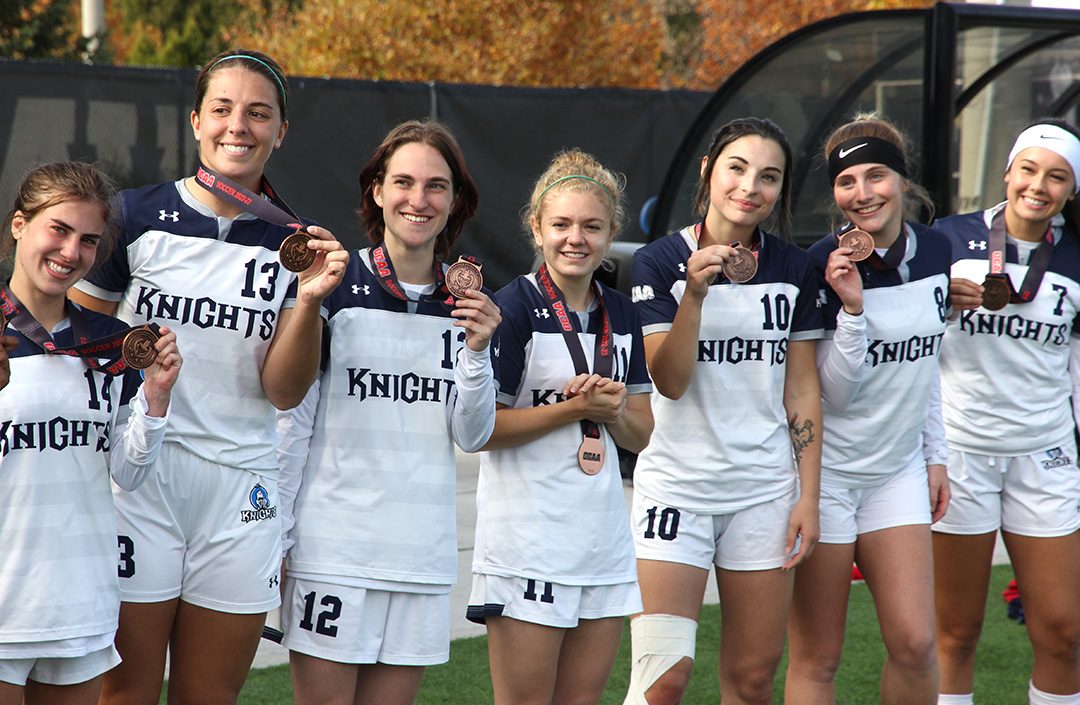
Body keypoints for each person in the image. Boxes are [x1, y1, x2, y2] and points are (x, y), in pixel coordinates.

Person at [67, 50, 348, 705]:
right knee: (127, 691)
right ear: (196, 120)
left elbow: (283, 391)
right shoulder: (133, 216)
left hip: (241, 488)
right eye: (222, 108)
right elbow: (74, 348)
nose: (237, 126)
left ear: (282, 130)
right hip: (138, 481)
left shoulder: (295, 246)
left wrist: (308, 301)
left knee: (208, 694)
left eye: (258, 113)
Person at [275, 119, 499, 705]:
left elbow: (472, 436)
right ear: (377, 190)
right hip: (334, 553)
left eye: (436, 186)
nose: (418, 200)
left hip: (420, 556)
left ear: (455, 201)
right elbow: (291, 418)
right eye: (403, 182)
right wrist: (279, 537)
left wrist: (477, 354)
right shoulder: (334, 282)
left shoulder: (469, 304)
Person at [624, 117, 823, 705]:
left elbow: (802, 387)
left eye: (768, 176)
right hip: (675, 490)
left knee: (753, 679)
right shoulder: (659, 262)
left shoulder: (795, 268)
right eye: (737, 168)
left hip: (764, 492)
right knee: (662, 678)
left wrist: (807, 495)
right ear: (710, 170)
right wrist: (694, 294)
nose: (749, 187)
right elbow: (670, 380)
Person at [466, 150, 654, 705]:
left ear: (611, 232)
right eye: (562, 225)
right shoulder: (512, 308)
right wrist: (573, 410)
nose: (576, 238)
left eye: (592, 226)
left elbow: (641, 435)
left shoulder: (622, 314)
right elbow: (483, 429)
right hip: (528, 544)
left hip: (599, 546)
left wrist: (612, 410)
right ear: (536, 228)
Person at [784, 115, 952, 705]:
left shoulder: (938, 249)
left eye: (876, 175)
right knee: (818, 658)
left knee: (915, 645)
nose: (863, 194)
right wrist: (852, 309)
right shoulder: (819, 265)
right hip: (824, 478)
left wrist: (936, 454)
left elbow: (927, 361)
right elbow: (830, 395)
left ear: (903, 181)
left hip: (896, 474)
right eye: (847, 181)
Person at [0, 161, 181, 705]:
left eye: (88, 240)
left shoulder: (110, 342)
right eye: (58, 229)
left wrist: (156, 399)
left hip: (78, 601)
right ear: (19, 225)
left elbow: (128, 471)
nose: (70, 251)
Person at [932, 118, 1080, 705]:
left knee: (1065, 633)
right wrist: (939, 305)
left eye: (1057, 177)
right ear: (1008, 171)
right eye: (1029, 169)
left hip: (1044, 454)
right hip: (959, 450)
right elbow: (900, 339)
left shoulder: (1074, 254)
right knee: (957, 632)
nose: (1039, 186)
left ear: (1071, 189)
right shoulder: (945, 239)